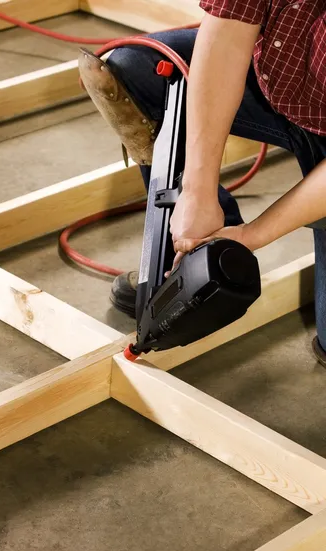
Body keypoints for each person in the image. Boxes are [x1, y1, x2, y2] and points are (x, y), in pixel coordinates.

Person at [78, 0, 326, 366]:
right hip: (285, 87)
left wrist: (252, 236)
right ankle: (190, 261)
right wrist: (197, 190)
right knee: (135, 68)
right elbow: (226, 35)